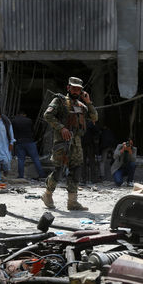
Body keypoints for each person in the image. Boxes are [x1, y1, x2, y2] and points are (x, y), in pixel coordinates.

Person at [41, 76, 98, 211]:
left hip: (76, 142)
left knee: (76, 170)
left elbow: (95, 117)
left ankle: (72, 202)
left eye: (78, 89)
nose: (76, 91)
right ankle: (48, 194)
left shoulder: (82, 105)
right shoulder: (59, 101)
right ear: (68, 88)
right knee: (58, 170)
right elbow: (47, 115)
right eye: (74, 88)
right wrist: (61, 128)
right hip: (62, 140)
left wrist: (88, 102)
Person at [11, 110, 44, 180]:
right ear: (24, 114)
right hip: (29, 141)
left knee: (21, 160)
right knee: (35, 159)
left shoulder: (13, 121)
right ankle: (42, 175)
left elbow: (12, 132)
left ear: (18, 114)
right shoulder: (29, 120)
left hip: (19, 142)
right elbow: (33, 131)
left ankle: (21, 176)